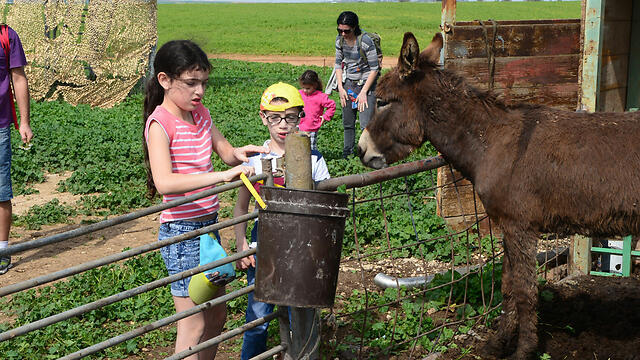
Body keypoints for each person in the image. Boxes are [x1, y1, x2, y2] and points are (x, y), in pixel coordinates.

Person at [142, 39, 267, 359]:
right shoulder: (160, 124)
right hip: (182, 232)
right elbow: (165, 183)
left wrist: (243, 154)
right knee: (193, 324)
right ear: (165, 80)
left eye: (204, 83)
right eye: (191, 83)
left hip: (208, 228)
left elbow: (226, 153)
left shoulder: (201, 114)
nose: (199, 91)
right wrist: (220, 178)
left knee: (216, 316)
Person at [233, 82, 330, 360]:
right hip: (262, 241)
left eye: (290, 116)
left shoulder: (314, 158)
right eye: (275, 117)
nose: (283, 125)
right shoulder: (254, 160)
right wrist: (241, 244)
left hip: (303, 243)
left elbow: (324, 203)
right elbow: (241, 207)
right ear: (263, 117)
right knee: (258, 316)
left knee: (298, 310)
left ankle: (297, 354)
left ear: (301, 116)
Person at [0, 25, 33, 275]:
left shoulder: (7, 36)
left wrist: (24, 121)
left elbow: (18, 77)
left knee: (1, 190)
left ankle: (2, 250)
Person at [334, 11, 380, 158]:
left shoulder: (365, 41)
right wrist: (341, 87)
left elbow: (375, 69)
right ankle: (347, 153)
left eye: (346, 31)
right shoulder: (339, 40)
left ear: (354, 28)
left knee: (365, 124)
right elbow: (338, 65)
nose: (342, 34)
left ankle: (367, 154)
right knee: (348, 122)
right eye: (339, 30)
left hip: (367, 84)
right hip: (349, 83)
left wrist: (364, 92)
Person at [298, 69, 335, 151]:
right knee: (298, 147)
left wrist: (325, 117)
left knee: (311, 149)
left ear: (315, 85)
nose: (305, 90)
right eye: (303, 87)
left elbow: (332, 106)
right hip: (298, 126)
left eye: (308, 88)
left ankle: (313, 163)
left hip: (312, 128)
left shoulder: (321, 96)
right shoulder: (299, 94)